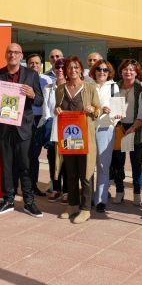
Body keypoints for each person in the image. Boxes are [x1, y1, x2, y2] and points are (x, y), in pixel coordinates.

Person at [0, 43, 44, 217]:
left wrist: (32, 94)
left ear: (21, 56)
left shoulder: (32, 75)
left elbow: (39, 100)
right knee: (6, 166)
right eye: (9, 52)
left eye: (16, 52)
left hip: (24, 128)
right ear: (6, 55)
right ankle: (8, 200)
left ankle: (29, 202)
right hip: (3, 128)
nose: (13, 55)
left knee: (26, 166)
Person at [54, 56, 100, 223]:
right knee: (71, 173)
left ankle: (86, 208)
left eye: (76, 67)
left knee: (86, 173)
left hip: (85, 138)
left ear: (81, 70)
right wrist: (57, 110)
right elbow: (57, 108)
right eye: (69, 68)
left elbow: (98, 110)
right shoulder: (60, 89)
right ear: (65, 71)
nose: (72, 70)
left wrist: (92, 108)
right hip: (68, 138)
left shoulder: (90, 88)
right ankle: (73, 204)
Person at [111, 59, 142, 206]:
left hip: (135, 128)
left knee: (135, 164)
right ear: (121, 71)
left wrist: (133, 128)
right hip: (119, 127)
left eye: (132, 69)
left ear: (136, 72)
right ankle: (119, 191)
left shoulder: (141, 88)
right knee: (118, 164)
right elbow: (111, 106)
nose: (128, 72)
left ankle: (137, 194)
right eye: (125, 69)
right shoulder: (115, 86)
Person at [90, 59, 119, 213]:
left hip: (105, 128)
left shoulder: (114, 87)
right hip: (88, 128)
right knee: (88, 165)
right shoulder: (88, 85)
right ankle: (88, 197)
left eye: (105, 70)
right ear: (94, 71)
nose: (102, 72)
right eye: (99, 69)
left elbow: (118, 111)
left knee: (102, 165)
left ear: (109, 73)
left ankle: (100, 200)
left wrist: (113, 114)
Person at [39, 58, 68, 202]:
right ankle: (56, 188)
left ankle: (67, 190)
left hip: (68, 129)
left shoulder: (72, 87)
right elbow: (46, 111)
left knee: (67, 162)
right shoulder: (48, 87)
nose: (60, 70)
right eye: (57, 67)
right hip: (53, 128)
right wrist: (49, 124)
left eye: (63, 67)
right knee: (52, 160)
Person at [27, 53, 50, 196]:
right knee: (24, 154)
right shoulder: (22, 79)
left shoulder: (46, 80)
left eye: (37, 63)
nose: (34, 65)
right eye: (31, 63)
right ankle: (24, 185)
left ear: (41, 65)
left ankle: (33, 185)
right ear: (27, 64)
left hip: (40, 120)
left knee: (35, 154)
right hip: (25, 119)